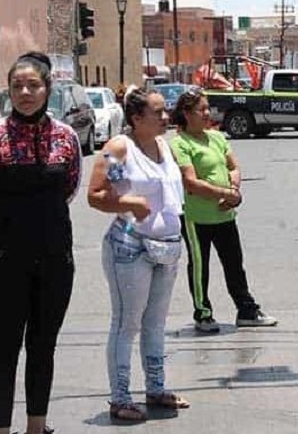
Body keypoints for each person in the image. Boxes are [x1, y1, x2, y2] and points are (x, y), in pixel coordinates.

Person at [0, 52, 82, 434]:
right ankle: (1, 429)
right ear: (9, 91)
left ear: (48, 89)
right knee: (5, 349)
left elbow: (70, 187)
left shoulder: (66, 136)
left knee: (43, 347)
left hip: (56, 259)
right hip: (4, 262)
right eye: (17, 86)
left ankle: (36, 426)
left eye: (33, 85)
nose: (25, 92)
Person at [87, 87, 189, 421]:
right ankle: (119, 397)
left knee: (156, 322)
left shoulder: (163, 146)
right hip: (130, 248)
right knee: (127, 323)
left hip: (167, 248)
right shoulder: (120, 149)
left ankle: (156, 389)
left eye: (165, 111)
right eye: (157, 112)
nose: (165, 117)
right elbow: (98, 194)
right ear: (136, 118)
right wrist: (128, 203)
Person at [170, 89, 277, 333]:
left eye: (208, 108)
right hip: (197, 217)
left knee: (234, 264)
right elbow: (191, 183)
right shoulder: (180, 144)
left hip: (225, 214)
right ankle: (203, 313)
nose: (207, 113)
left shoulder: (216, 138)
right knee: (199, 266)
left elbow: (234, 167)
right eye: (201, 109)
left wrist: (233, 190)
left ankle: (247, 310)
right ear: (186, 114)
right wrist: (224, 194)